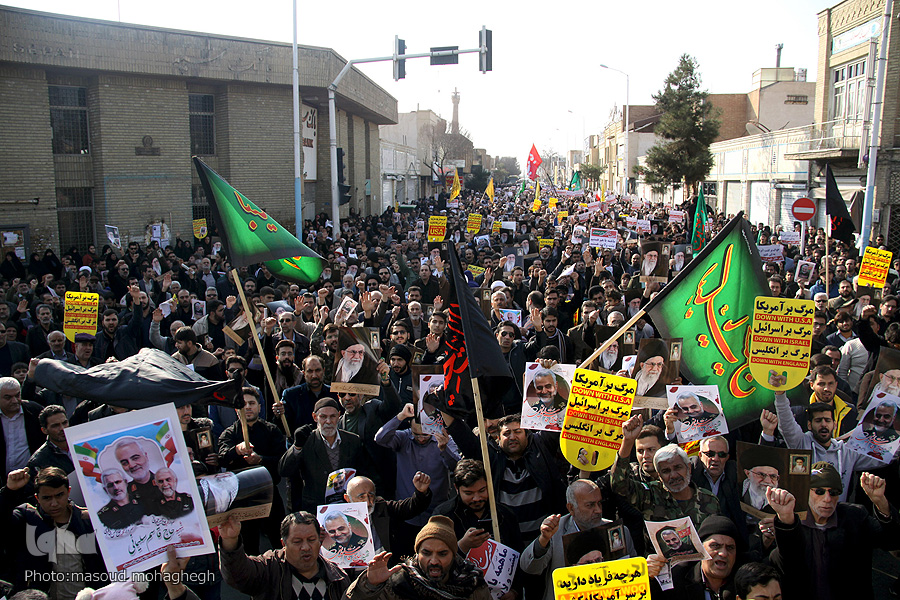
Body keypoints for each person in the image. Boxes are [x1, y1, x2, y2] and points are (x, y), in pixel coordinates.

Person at [768, 464, 900, 600]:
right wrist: (785, 520)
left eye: (833, 492)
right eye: (819, 491)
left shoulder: (855, 517)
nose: (827, 499)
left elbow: (892, 541)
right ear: (806, 492)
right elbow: (784, 563)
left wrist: (880, 501)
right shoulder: (792, 522)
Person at [520, 480, 635, 600]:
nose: (598, 510)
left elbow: (634, 577)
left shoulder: (617, 532)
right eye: (590, 505)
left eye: (599, 503)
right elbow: (529, 567)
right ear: (571, 508)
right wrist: (543, 540)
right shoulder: (556, 532)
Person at [2, 467, 108, 596]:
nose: (54, 503)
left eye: (59, 495)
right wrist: (9, 491)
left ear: (68, 492)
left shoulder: (89, 521)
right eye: (47, 498)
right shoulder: (27, 519)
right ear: (37, 498)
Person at [765, 394, 884, 502]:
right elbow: (786, 423)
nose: (823, 425)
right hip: (805, 517)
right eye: (818, 421)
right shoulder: (801, 443)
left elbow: (882, 455)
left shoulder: (846, 451)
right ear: (809, 425)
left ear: (834, 424)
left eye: (827, 420)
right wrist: (780, 395)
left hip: (837, 516)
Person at [346, 515, 490, 600]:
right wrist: (369, 585)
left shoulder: (472, 583)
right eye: (426, 553)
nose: (434, 561)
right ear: (417, 553)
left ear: (454, 554)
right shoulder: (398, 582)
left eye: (442, 554)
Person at [611, 415, 720, 527]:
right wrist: (628, 441)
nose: (673, 475)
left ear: (688, 467)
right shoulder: (651, 496)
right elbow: (619, 484)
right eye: (666, 471)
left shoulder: (709, 500)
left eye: (678, 467)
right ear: (659, 474)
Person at [219, 512, 350, 600]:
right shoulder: (268, 569)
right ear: (284, 543)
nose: (305, 547)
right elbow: (237, 574)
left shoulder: (337, 577)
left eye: (311, 540)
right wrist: (230, 540)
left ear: (319, 542)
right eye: (297, 542)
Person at [218, 388, 286, 554]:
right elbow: (222, 458)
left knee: (280, 541)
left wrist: (261, 460)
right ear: (236, 409)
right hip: (242, 498)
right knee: (249, 547)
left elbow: (282, 461)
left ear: (259, 407)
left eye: (252, 403)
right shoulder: (229, 434)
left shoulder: (272, 431)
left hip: (269, 494)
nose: (247, 407)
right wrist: (237, 450)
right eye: (243, 404)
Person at [279, 397, 370, 512]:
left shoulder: (353, 441)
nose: (328, 421)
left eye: (332, 416)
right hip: (316, 508)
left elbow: (364, 471)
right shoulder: (306, 440)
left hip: (346, 506)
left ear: (338, 416)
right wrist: (297, 447)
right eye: (323, 417)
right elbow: (284, 470)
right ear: (315, 417)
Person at [647, 516, 741, 600]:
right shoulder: (677, 579)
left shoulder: (745, 579)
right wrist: (648, 578)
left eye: (730, 548)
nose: (723, 553)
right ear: (700, 549)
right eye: (715, 546)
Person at [344, 473, 432, 557]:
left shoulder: (382, 508)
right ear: (347, 499)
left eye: (371, 496)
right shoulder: (338, 516)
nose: (368, 502)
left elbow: (411, 507)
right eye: (361, 497)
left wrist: (421, 492)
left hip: (385, 567)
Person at [0, 376, 43, 479]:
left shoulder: (35, 411)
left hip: (32, 477)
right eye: (8, 397)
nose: (14, 401)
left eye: (17, 395)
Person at [114, 438, 165, 509]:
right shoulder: (124, 494)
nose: (132, 465)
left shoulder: (167, 482)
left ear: (146, 456)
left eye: (135, 458)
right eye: (125, 463)